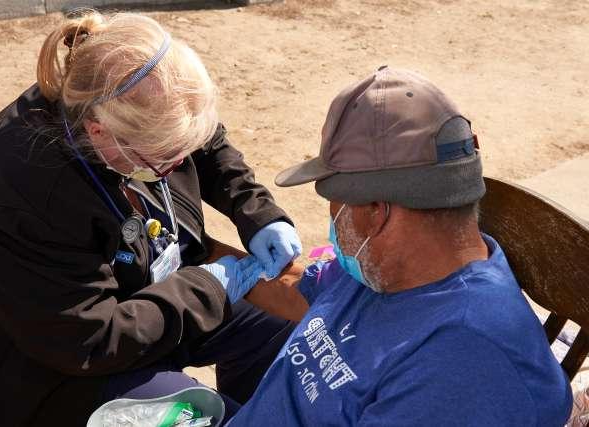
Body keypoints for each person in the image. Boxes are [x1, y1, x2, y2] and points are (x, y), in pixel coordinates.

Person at [0, 11, 302, 426]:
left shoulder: (119, 98)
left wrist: (258, 213)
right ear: (101, 133)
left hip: (139, 291)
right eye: (165, 160)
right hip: (52, 368)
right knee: (205, 418)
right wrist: (207, 287)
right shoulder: (19, 200)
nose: (178, 165)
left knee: (276, 327)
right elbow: (90, 341)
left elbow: (203, 143)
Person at [228, 66, 573, 426]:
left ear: (377, 212)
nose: (332, 219)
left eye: (334, 203)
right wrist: (212, 263)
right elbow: (301, 292)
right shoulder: (392, 267)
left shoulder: (460, 362)